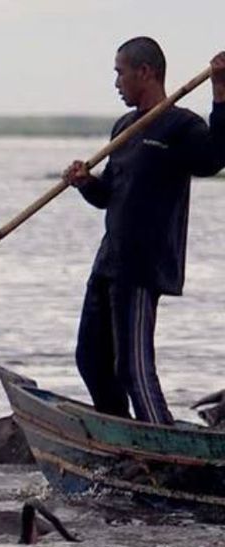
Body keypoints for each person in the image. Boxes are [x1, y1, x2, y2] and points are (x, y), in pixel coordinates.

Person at [63, 37, 225, 424]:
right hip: (109, 260)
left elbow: (215, 157)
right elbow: (109, 196)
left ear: (145, 72)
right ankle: (120, 438)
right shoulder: (124, 128)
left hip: (142, 265)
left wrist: (220, 92)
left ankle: (159, 441)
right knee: (90, 358)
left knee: (133, 366)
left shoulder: (180, 125)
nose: (116, 82)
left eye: (120, 73)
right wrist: (86, 182)